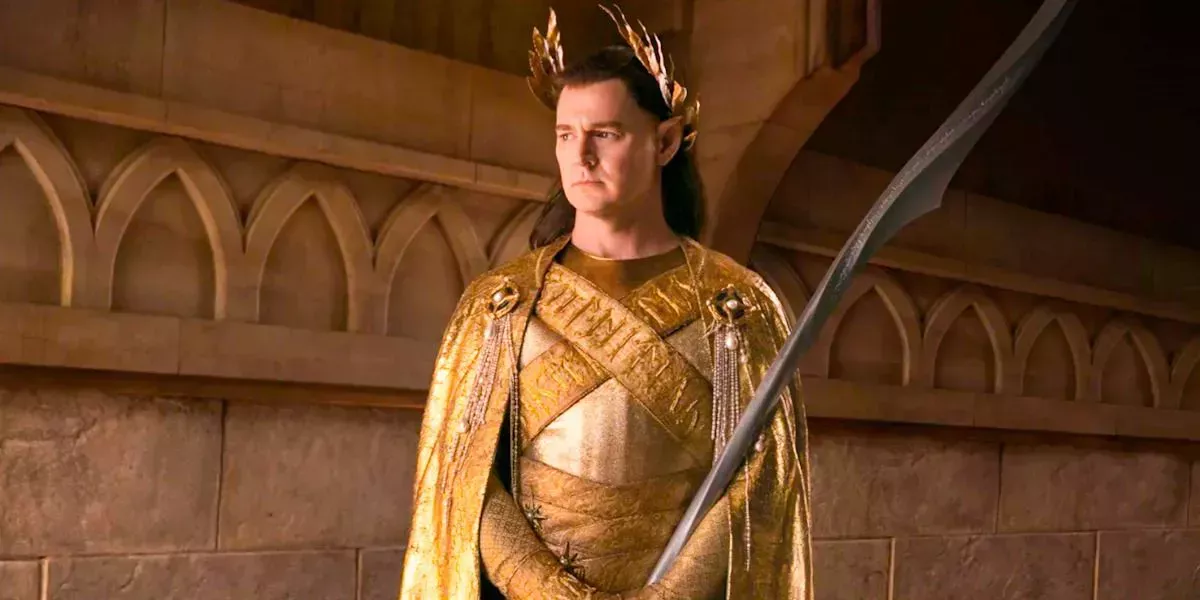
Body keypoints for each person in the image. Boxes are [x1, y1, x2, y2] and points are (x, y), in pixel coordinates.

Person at [399, 6, 812, 599]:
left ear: (664, 141)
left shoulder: (738, 305)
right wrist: (549, 590)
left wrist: (667, 596)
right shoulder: (499, 304)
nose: (581, 156)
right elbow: (463, 476)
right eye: (566, 135)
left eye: (606, 134)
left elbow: (761, 480)